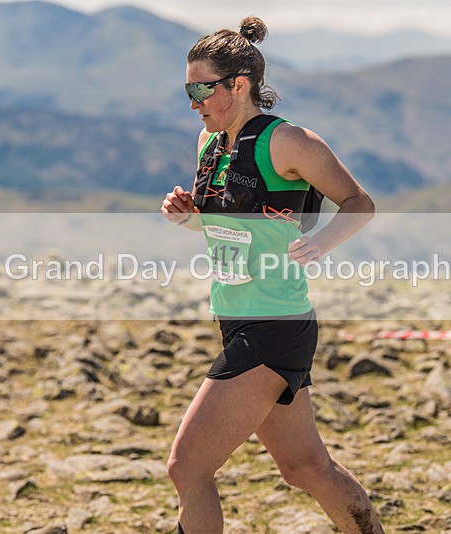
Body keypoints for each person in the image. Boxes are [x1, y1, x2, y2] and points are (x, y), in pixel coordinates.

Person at [160, 16, 384, 534]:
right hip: (238, 319)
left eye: (201, 88)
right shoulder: (208, 143)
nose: (193, 101)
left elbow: (359, 203)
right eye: (187, 89)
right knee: (306, 468)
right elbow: (235, 229)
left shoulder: (288, 142)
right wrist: (188, 216)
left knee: (187, 467)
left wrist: (322, 242)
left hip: (272, 325)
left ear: (239, 85)